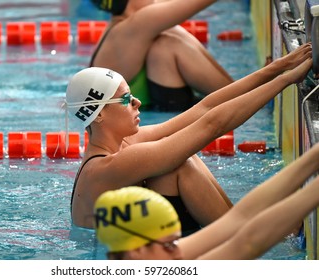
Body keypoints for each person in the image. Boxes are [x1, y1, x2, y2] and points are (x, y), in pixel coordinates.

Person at [65, 43, 312, 233]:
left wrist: (277, 68)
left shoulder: (124, 146)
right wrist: (286, 80)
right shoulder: (108, 168)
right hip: (106, 262)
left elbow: (203, 109)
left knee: (178, 161)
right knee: (181, 163)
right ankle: (244, 236)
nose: (137, 102)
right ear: (98, 115)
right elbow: (212, 125)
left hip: (132, 243)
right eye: (127, 99)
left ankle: (243, 229)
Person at [94, 140, 319, 260]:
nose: (179, 249)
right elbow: (247, 243)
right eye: (170, 244)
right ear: (137, 251)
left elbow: (238, 218)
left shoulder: (158, 259)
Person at [89, 0, 234, 111]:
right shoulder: (132, 28)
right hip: (159, 120)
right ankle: (242, 97)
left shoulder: (132, 26)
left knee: (170, 35)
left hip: (160, 113)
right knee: (166, 47)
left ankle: (242, 95)